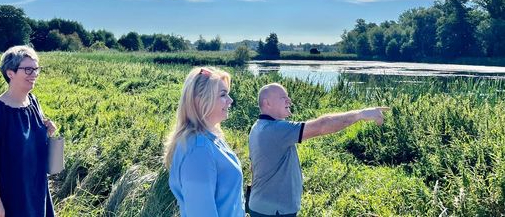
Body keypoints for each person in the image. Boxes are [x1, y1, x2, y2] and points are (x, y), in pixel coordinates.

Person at [248, 83, 389, 217]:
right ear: (267, 103)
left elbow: (254, 166)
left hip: (263, 206)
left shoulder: (258, 127)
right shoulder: (276, 130)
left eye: (288, 97)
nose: (289, 100)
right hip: (275, 211)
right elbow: (321, 126)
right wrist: (360, 114)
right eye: (283, 98)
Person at [0, 45, 57, 217]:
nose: (35, 74)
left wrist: (46, 131)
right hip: (9, 196)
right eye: (28, 69)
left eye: (36, 69)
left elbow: (28, 143)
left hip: (34, 191)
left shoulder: (33, 103)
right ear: (10, 73)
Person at [163, 67, 245, 217]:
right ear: (200, 100)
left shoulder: (210, 138)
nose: (230, 100)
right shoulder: (198, 151)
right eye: (223, 95)